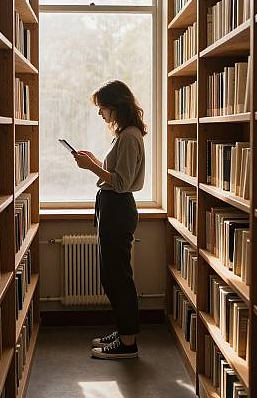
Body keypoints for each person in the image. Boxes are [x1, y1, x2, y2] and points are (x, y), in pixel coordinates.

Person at [73, 80, 146, 360]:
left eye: (102, 108)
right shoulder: (124, 135)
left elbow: (122, 182)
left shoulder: (128, 136)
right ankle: (123, 331)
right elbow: (115, 174)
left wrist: (92, 168)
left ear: (115, 107)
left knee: (118, 277)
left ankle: (128, 343)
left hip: (118, 208)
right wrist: (96, 162)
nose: (100, 114)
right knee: (111, 276)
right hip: (111, 206)